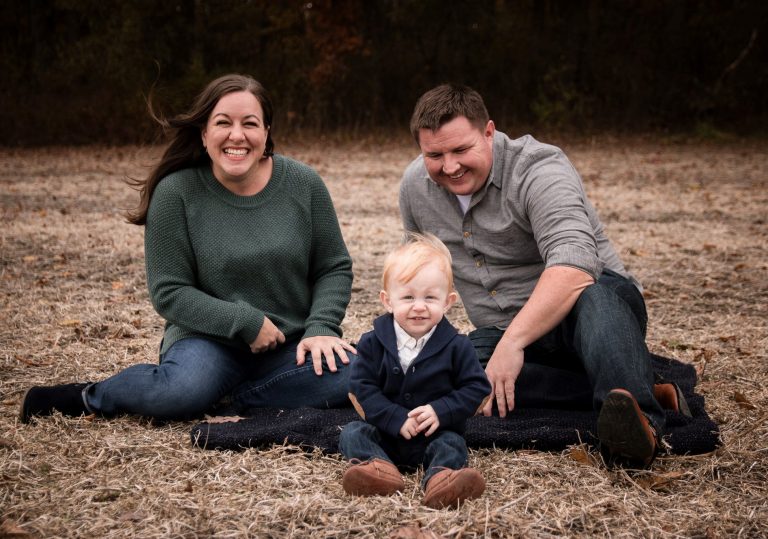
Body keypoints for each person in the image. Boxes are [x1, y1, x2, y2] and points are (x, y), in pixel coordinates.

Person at [20, 74, 356, 423]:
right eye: (223, 123)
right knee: (178, 393)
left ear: (266, 132)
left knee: (363, 374)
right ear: (204, 133)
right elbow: (169, 291)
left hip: (288, 343)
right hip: (208, 341)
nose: (236, 135)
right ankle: (89, 396)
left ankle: (232, 401)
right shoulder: (175, 193)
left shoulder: (304, 184)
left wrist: (321, 329)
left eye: (250, 124)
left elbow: (333, 266)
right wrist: (245, 320)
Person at [399, 84, 686, 468]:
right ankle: (637, 387)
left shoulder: (539, 168)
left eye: (461, 150)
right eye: (434, 155)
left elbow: (574, 266)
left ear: (489, 131)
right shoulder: (415, 186)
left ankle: (643, 428)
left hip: (594, 312)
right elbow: (419, 270)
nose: (449, 166)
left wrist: (513, 344)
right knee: (454, 377)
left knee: (594, 295)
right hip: (502, 330)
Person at [340, 233, 491, 509]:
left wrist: (441, 410)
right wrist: (394, 418)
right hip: (385, 433)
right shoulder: (371, 342)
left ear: (448, 301)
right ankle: (379, 471)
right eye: (408, 296)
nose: (419, 306)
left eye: (431, 297)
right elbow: (361, 388)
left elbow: (477, 388)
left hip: (435, 432)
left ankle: (441, 479)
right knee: (352, 433)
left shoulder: (458, 345)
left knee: (452, 444)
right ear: (387, 301)